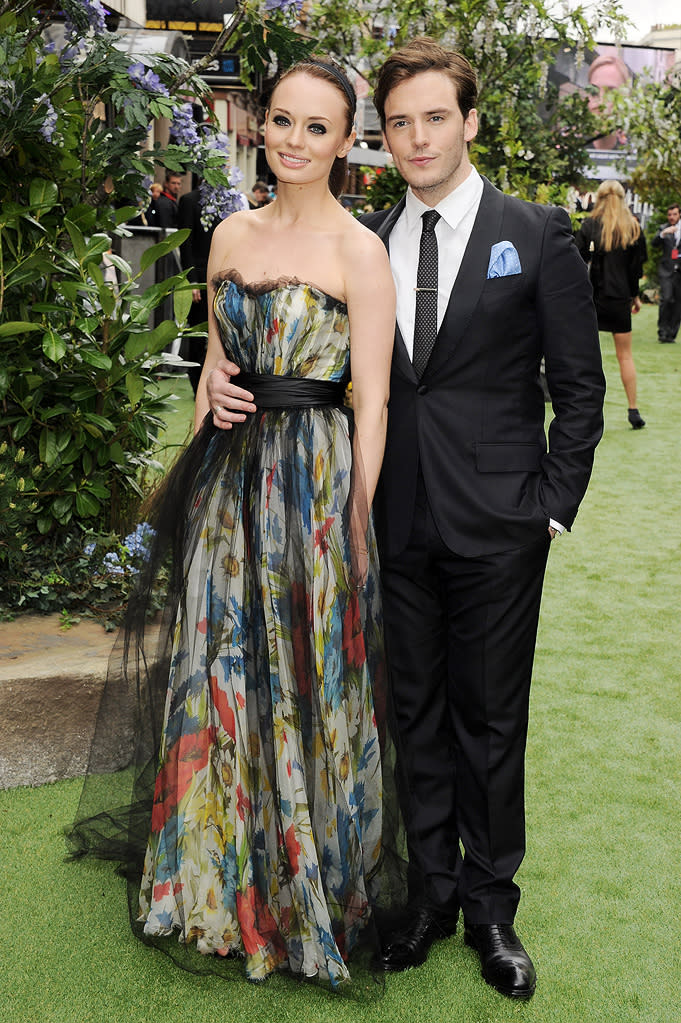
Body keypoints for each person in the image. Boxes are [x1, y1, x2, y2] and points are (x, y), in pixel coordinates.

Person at [207, 37, 606, 1000]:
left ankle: (490, 908)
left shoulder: (538, 230)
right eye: (399, 123)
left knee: (490, 721)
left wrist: (548, 510)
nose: (418, 136)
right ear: (378, 141)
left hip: (501, 526)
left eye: (435, 117)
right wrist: (224, 374)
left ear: (468, 122)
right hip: (386, 518)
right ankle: (429, 893)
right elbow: (329, 375)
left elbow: (578, 389)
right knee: (410, 714)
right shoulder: (366, 237)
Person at [69, 57, 398, 988]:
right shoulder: (224, 235)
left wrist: (353, 524)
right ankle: (211, 881)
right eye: (280, 121)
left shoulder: (358, 253)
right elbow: (216, 364)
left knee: (304, 676)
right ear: (260, 125)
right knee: (219, 668)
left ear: (345, 143)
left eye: (315, 128)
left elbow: (371, 403)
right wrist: (212, 390)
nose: (292, 142)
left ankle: (303, 888)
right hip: (227, 487)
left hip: (317, 488)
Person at [576, 180, 647, 428]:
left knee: (587, 358)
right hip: (620, 300)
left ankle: (585, 412)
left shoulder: (590, 225)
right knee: (625, 356)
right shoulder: (633, 228)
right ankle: (633, 410)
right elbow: (635, 271)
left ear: (601, 198)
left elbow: (576, 258)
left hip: (592, 299)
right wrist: (634, 296)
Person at [177, 183, 220, 394]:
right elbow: (185, 245)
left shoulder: (228, 201)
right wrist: (191, 280)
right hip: (199, 278)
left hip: (224, 277)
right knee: (197, 333)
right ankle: (197, 386)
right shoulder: (189, 201)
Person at [651, 202, 681, 343]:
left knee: (678, 303)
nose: (671, 217)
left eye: (674, 214)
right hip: (666, 271)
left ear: (679, 214)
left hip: (679, 272)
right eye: (669, 215)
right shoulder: (663, 228)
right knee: (667, 299)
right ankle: (662, 332)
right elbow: (654, 243)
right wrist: (663, 234)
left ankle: (671, 334)